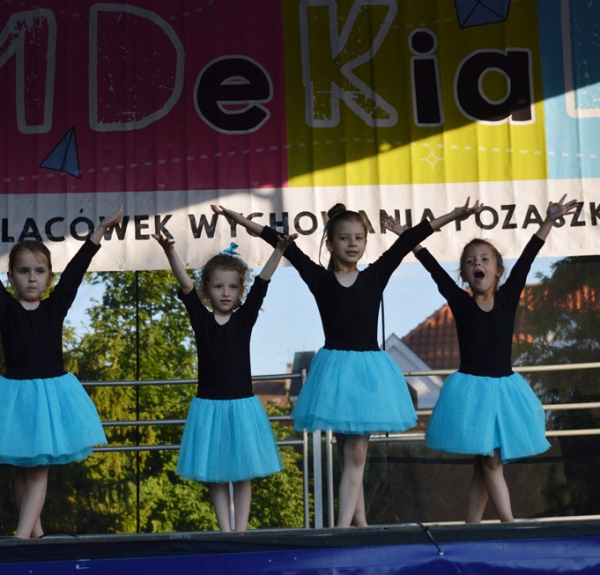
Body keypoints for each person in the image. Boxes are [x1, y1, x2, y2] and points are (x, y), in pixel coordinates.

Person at [211, 199, 480, 528]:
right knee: (348, 456)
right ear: (330, 243)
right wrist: (237, 218)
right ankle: (360, 525)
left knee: (355, 455)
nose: (353, 244)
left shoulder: (375, 274)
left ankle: (341, 530)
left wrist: (454, 214)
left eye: (359, 238)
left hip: (369, 377)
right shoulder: (320, 279)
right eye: (344, 238)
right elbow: (276, 239)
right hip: (335, 377)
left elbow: (410, 239)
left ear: (366, 242)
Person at [384, 194, 577, 523]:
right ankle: (508, 524)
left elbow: (529, 256)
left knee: (485, 464)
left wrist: (548, 221)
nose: (478, 264)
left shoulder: (508, 297)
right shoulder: (460, 303)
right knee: (489, 462)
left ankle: (471, 527)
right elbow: (432, 267)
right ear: (464, 274)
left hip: (503, 390)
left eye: (485, 259)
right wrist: (408, 237)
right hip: (471, 392)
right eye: (471, 261)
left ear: (498, 270)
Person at [152, 232, 296, 532]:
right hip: (209, 407)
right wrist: (169, 251)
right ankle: (225, 531)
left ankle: (241, 532)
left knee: (243, 473)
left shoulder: (244, 318)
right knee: (216, 473)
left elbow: (263, 282)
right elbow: (185, 285)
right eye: (218, 286)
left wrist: (279, 249)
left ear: (241, 291)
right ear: (207, 290)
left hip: (242, 406)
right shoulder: (201, 319)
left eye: (232, 287)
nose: (226, 293)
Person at [0, 204, 124, 539]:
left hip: (49, 397)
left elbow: (76, 270)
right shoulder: (6, 309)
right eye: (23, 271)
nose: (31, 278)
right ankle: (36, 535)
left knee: (37, 469)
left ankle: (20, 538)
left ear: (49, 278)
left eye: (39, 271)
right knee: (22, 470)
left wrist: (99, 231)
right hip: (15, 396)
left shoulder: (55, 305)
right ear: (10, 278)